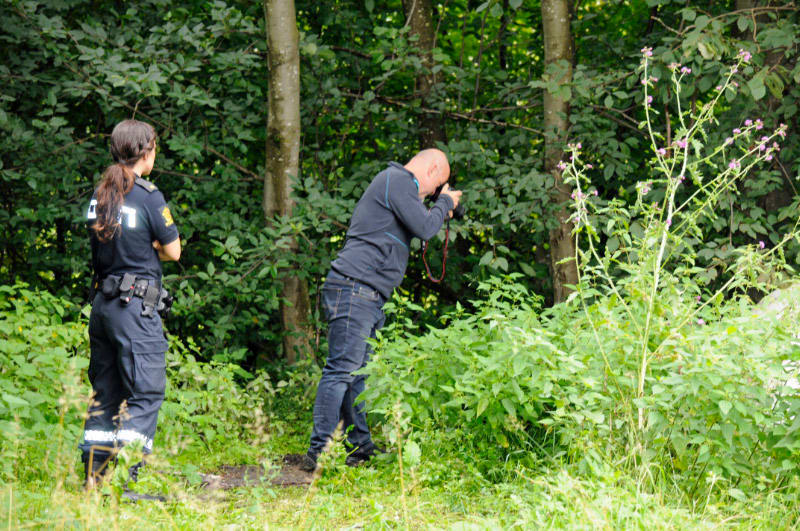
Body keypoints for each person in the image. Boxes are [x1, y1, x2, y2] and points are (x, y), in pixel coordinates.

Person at [303, 149, 462, 470]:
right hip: (354, 288)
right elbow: (426, 228)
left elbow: (423, 220)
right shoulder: (396, 180)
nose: (433, 193)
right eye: (437, 186)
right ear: (432, 168)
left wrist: (441, 207)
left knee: (356, 374)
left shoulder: (399, 190)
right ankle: (318, 454)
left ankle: (359, 448)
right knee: (340, 371)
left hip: (366, 292)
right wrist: (445, 203)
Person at [80, 119, 181, 493]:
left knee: (105, 395)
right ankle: (128, 486)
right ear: (145, 151)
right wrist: (153, 246)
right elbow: (174, 250)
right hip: (134, 309)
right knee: (145, 393)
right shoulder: (148, 195)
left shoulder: (100, 194)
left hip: (103, 309)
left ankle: (94, 480)